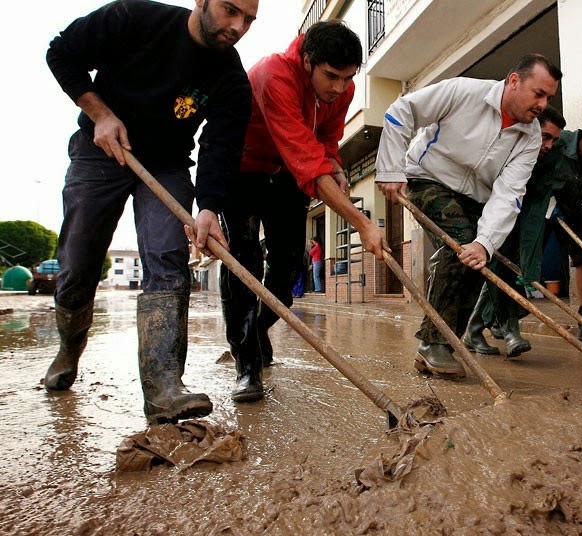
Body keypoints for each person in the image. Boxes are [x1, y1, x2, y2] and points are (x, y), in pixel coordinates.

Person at [42, 0, 259, 425]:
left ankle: (163, 387)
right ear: (202, 1)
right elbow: (61, 52)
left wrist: (209, 207)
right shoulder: (134, 19)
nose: (238, 26)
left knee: (167, 259)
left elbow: (222, 146)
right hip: (100, 150)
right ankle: (69, 348)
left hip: (166, 165)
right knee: (77, 262)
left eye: (249, 20)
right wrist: (100, 114)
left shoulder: (230, 76)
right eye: (231, 11)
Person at [219, 20, 385, 402]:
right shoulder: (272, 75)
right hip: (243, 170)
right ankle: (247, 363)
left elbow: (325, 140)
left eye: (348, 78)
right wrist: (361, 223)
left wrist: (338, 164)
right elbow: (307, 161)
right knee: (244, 259)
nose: (339, 88)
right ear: (308, 60)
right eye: (331, 76)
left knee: (289, 267)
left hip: (285, 178)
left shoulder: (341, 88)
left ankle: (256, 332)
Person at [375, 54, 562, 378]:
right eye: (538, 93)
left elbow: (509, 193)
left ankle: (445, 343)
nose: (543, 105)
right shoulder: (464, 92)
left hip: (478, 197)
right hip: (428, 177)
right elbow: (402, 111)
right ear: (514, 81)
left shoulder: (530, 136)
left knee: (478, 257)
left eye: (548, 98)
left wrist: (486, 242)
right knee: (460, 244)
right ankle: (434, 344)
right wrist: (391, 169)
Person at [463, 106, 566, 357]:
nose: (549, 145)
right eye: (545, 136)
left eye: (554, 139)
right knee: (500, 270)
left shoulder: (549, 157)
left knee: (509, 271)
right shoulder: (509, 142)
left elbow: (535, 201)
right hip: (491, 211)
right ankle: (509, 331)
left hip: (521, 214)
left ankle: (475, 330)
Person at [513, 113, 582, 345]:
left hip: (570, 207)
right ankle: (504, 318)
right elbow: (525, 165)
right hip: (538, 201)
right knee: (519, 258)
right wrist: (543, 199)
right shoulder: (557, 141)